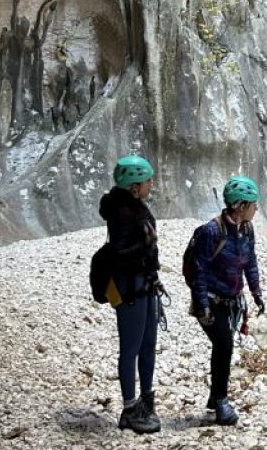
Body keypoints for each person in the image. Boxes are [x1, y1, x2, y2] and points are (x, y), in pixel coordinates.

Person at [190, 174, 265, 425]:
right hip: (210, 301)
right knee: (224, 345)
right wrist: (201, 305)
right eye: (253, 204)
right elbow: (199, 270)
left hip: (232, 301)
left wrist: (256, 293)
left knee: (223, 346)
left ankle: (215, 397)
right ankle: (221, 401)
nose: (256, 208)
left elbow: (250, 262)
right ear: (241, 206)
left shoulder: (247, 229)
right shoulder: (212, 231)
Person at [99, 154, 162, 434]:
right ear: (134, 185)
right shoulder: (123, 214)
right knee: (131, 348)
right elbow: (121, 254)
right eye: (148, 179)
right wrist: (146, 252)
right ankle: (129, 408)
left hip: (143, 285)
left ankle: (145, 401)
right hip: (131, 289)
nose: (151, 183)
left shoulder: (135, 207)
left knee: (147, 345)